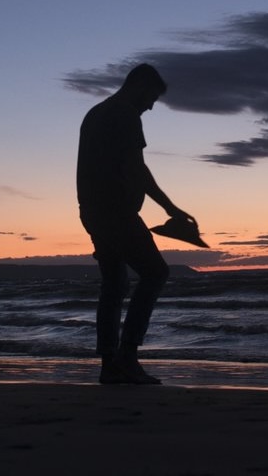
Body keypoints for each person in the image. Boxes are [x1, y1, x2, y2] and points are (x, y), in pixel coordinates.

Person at [76, 63, 194, 385]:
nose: (151, 106)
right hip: (115, 212)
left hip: (92, 211)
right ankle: (127, 356)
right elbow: (138, 171)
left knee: (114, 285)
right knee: (156, 272)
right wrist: (172, 209)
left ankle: (109, 364)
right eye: (152, 97)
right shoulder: (125, 115)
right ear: (140, 86)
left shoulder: (95, 113)